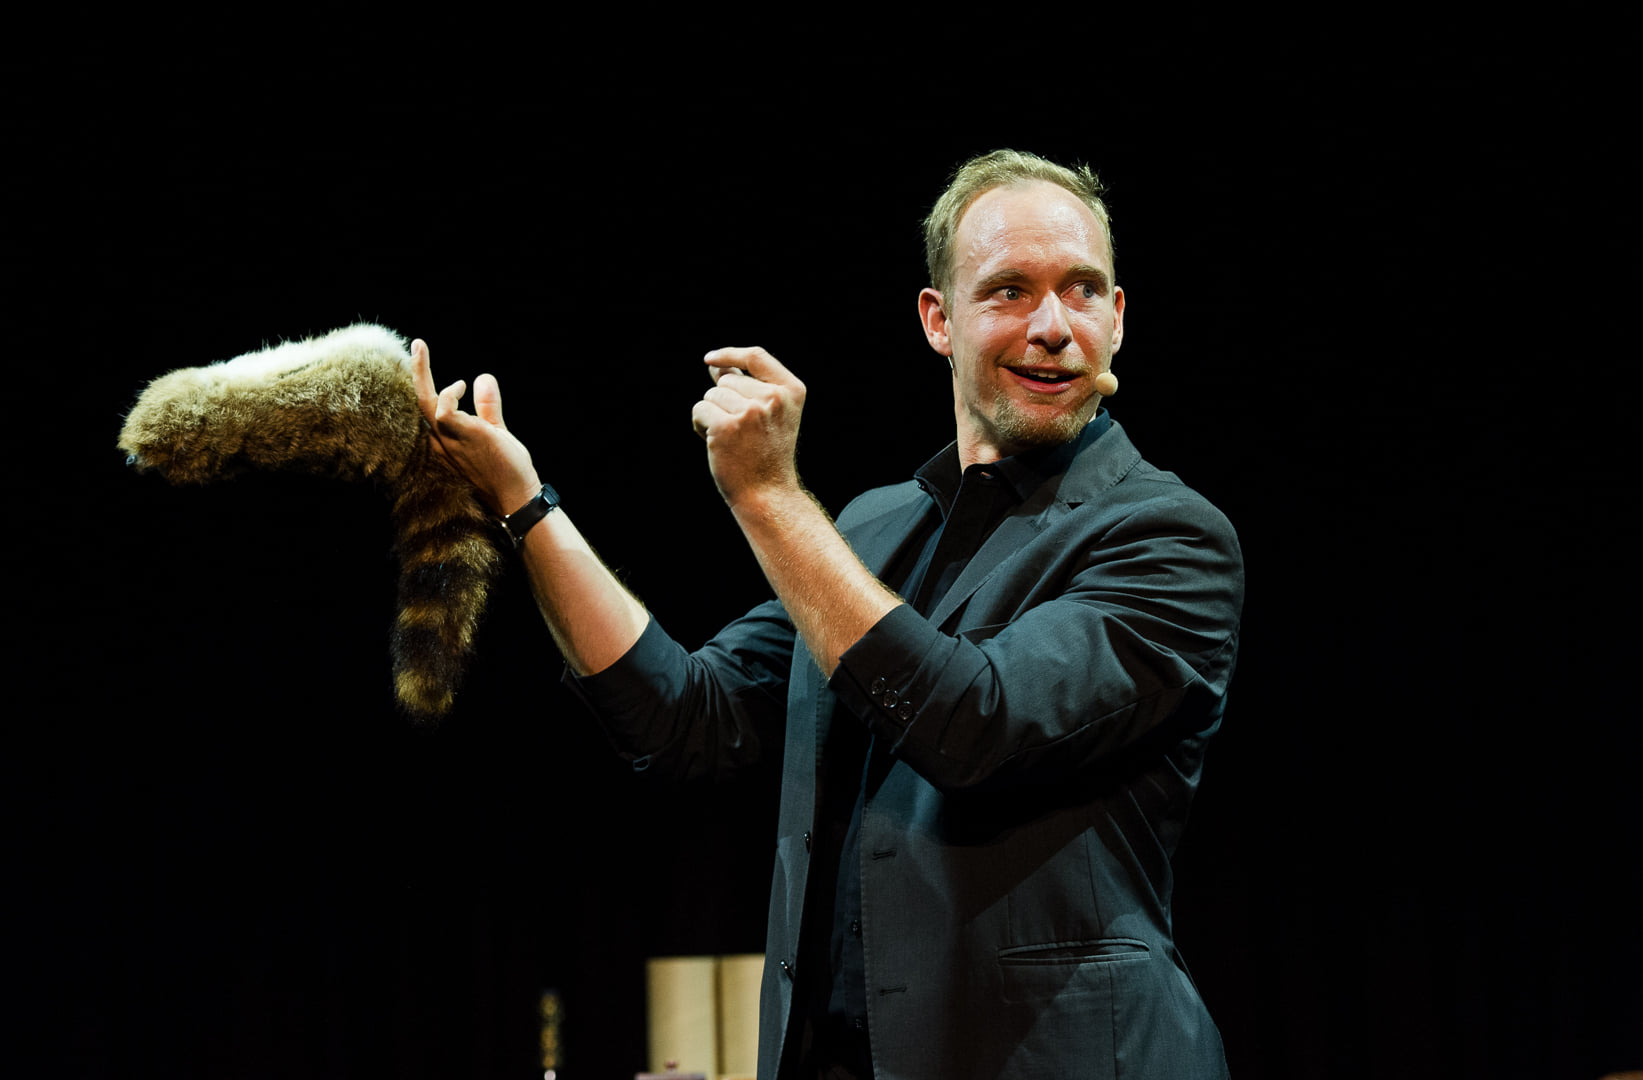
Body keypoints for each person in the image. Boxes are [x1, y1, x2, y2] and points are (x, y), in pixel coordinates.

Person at [411, 149, 1244, 1080]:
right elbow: (687, 716)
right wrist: (526, 507)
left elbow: (978, 726)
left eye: (1081, 290)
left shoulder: (1166, 536)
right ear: (938, 320)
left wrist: (769, 497)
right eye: (1008, 291)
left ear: (1116, 317)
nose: (1052, 326)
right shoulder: (872, 530)